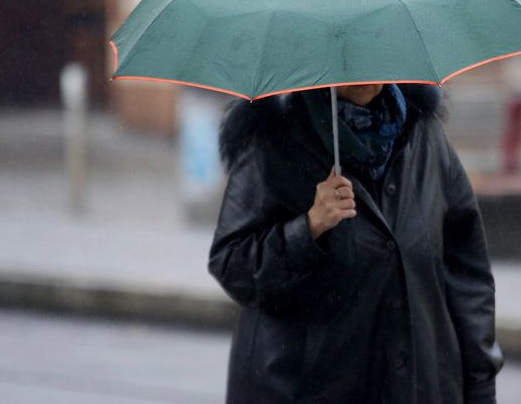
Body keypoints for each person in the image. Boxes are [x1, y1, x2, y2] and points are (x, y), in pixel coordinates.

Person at [208, 83, 503, 403]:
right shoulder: (272, 137)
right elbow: (232, 262)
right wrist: (308, 228)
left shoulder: (423, 135)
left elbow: (466, 275)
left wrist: (480, 383)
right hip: (301, 389)